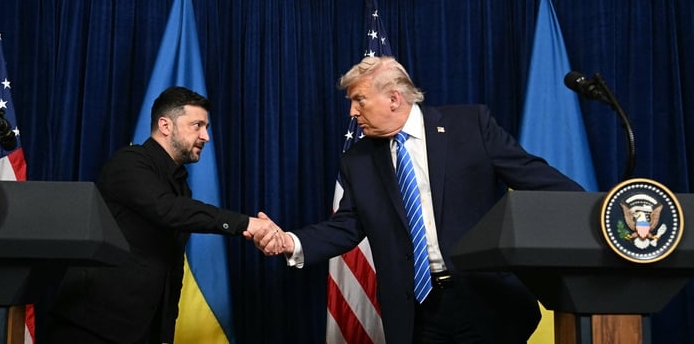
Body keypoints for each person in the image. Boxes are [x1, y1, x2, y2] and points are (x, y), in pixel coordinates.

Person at [253, 56, 584, 344]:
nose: (353, 112)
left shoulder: (470, 126)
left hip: (485, 300)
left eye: (359, 100)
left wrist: (596, 212)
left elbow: (533, 177)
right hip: (417, 313)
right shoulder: (358, 160)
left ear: (394, 98)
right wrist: (290, 242)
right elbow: (347, 226)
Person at [46, 86, 276, 344]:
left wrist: (164, 333)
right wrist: (246, 223)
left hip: (142, 331)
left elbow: (170, 266)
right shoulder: (129, 162)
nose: (206, 136)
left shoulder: (180, 185)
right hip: (91, 327)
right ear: (165, 125)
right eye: (197, 125)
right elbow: (167, 210)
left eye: (206, 127)